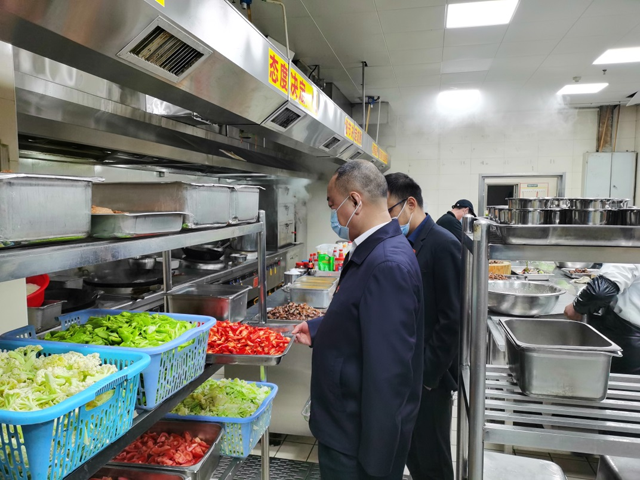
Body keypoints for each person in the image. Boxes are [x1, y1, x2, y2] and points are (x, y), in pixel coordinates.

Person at [292, 160, 424, 480]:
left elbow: (389, 374)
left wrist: (376, 462)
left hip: (357, 444)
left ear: (355, 201)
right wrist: (318, 328)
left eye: (333, 205)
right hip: (344, 426)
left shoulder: (387, 263)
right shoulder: (371, 251)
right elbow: (361, 314)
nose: (335, 216)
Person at [386, 173, 462, 480]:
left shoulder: (443, 244)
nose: (387, 219)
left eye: (389, 210)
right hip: (409, 371)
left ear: (410, 204)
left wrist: (428, 376)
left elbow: (452, 318)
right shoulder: (405, 242)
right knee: (414, 453)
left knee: (433, 460)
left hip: (431, 378)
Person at [564, 264, 640, 374]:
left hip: (628, 343)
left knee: (616, 383)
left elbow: (600, 292)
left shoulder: (628, 255)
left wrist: (577, 307)